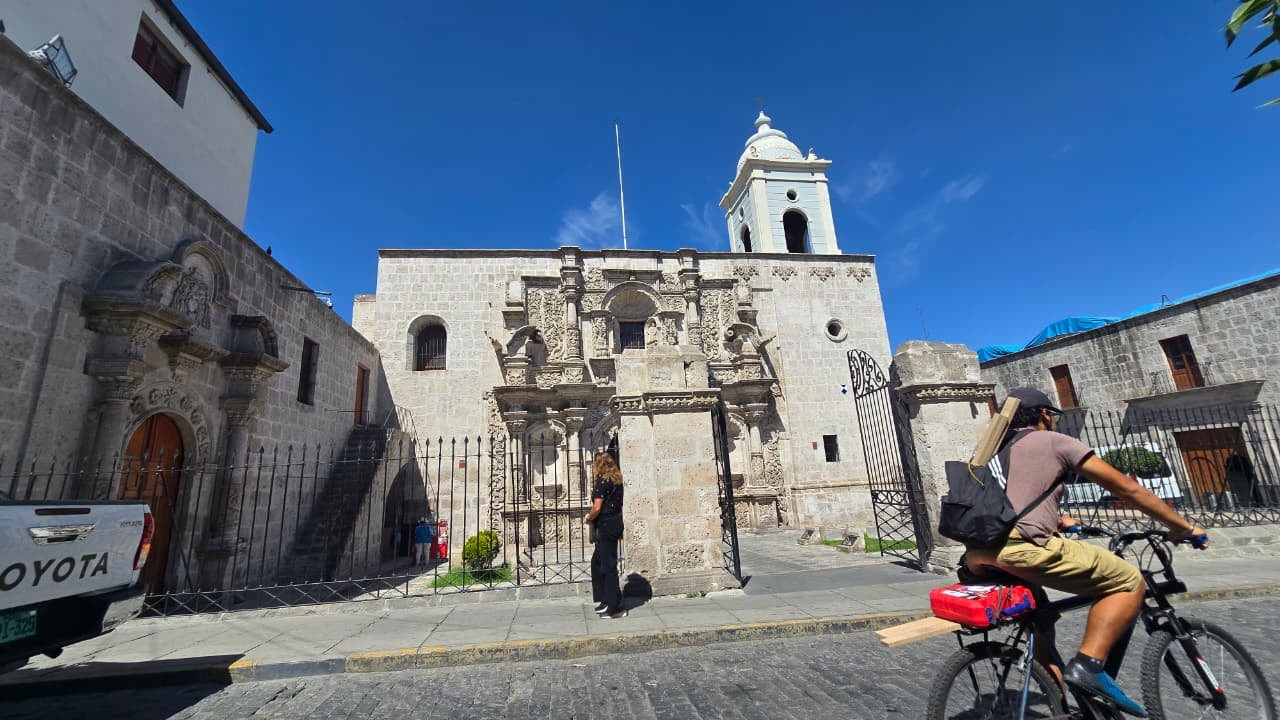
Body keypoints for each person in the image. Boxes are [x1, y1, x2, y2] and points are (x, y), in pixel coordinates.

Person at [965, 387, 1208, 718]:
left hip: (979, 555)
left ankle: (1061, 709)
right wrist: (1183, 527)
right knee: (1128, 581)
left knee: (1042, 628)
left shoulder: (994, 447)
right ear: (1045, 414)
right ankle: (1089, 665)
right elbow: (1127, 488)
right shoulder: (1053, 441)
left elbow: (1007, 503)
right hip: (1023, 548)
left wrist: (1058, 521)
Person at [584, 451, 626, 619]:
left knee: (608, 566)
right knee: (597, 561)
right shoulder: (616, 480)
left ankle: (615, 608)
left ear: (599, 465)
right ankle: (607, 599)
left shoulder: (602, 481)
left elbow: (597, 507)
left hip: (606, 525)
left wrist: (589, 517)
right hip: (614, 523)